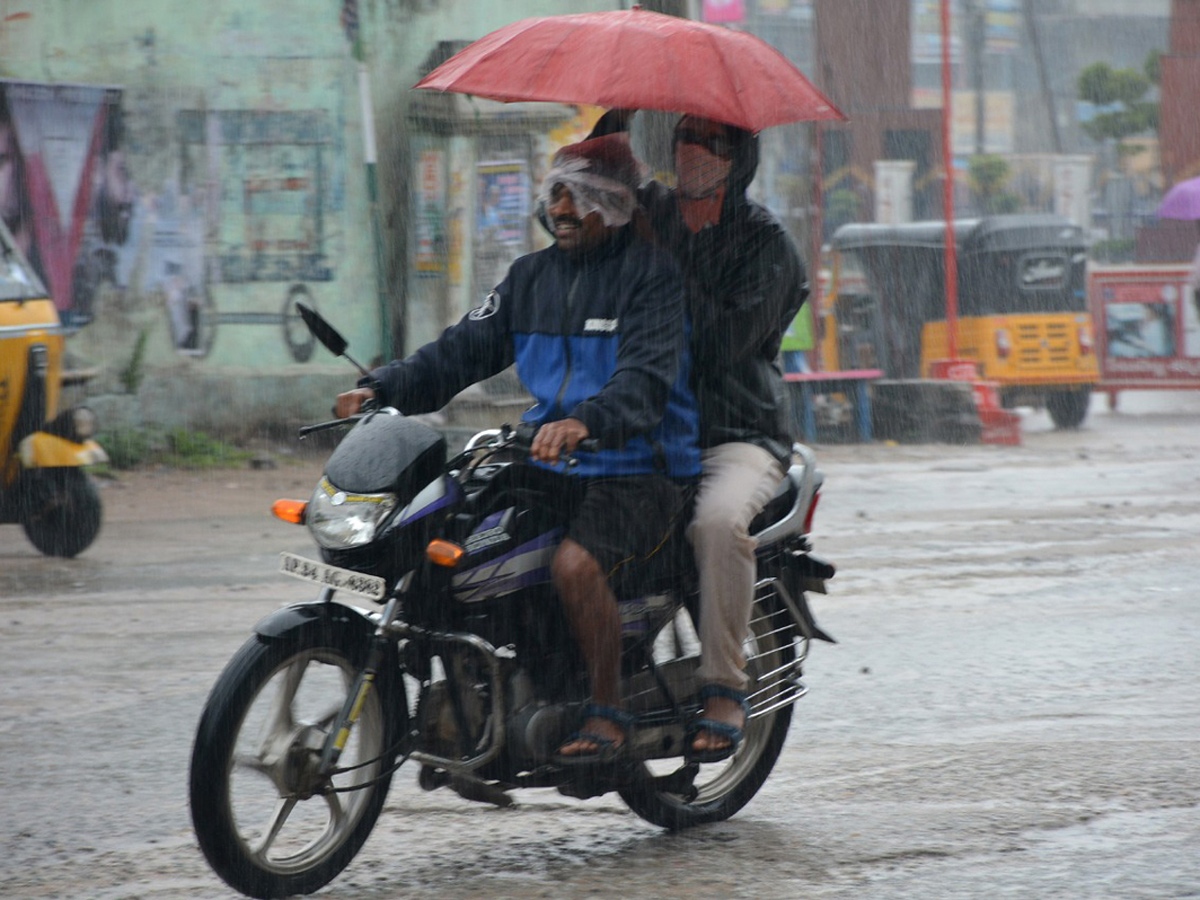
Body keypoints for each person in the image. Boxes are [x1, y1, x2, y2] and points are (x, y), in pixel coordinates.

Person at [335, 134, 700, 764]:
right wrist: (382, 386)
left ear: (615, 206)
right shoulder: (530, 278)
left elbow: (643, 383)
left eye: (578, 196)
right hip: (547, 456)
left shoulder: (653, 280)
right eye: (554, 192)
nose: (560, 207)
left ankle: (607, 708)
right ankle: (503, 678)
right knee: (456, 540)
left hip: (640, 462)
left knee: (574, 567)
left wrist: (587, 421)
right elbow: (460, 352)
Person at [591, 110, 809, 762]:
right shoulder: (650, 206)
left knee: (715, 524)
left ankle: (723, 688)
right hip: (647, 424)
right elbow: (583, 198)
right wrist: (611, 127)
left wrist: (663, 263)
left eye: (711, 143)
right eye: (684, 138)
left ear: (737, 160)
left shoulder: (765, 246)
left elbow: (720, 347)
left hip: (736, 433)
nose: (691, 152)